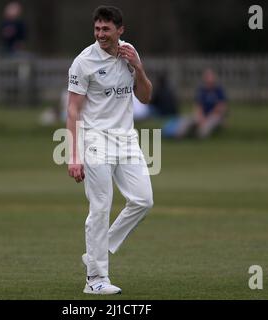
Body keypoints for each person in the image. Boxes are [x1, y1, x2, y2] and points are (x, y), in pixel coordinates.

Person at [66, 6, 154, 295]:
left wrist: (138, 68)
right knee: (101, 206)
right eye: (97, 29)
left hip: (126, 139)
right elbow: (73, 110)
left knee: (143, 201)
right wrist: (74, 156)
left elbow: (145, 96)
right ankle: (95, 279)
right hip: (95, 141)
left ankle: (97, 250)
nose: (101, 34)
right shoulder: (84, 62)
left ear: (120, 30)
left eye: (106, 29)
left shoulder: (130, 53)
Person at [162, 68, 227, 139]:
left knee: (205, 129)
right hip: (202, 115)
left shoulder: (219, 90)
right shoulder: (202, 91)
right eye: (207, 77)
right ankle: (178, 134)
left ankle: (198, 136)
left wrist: (207, 118)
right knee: (187, 120)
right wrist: (201, 116)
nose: (209, 79)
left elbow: (221, 107)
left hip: (214, 115)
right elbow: (198, 106)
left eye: (210, 77)